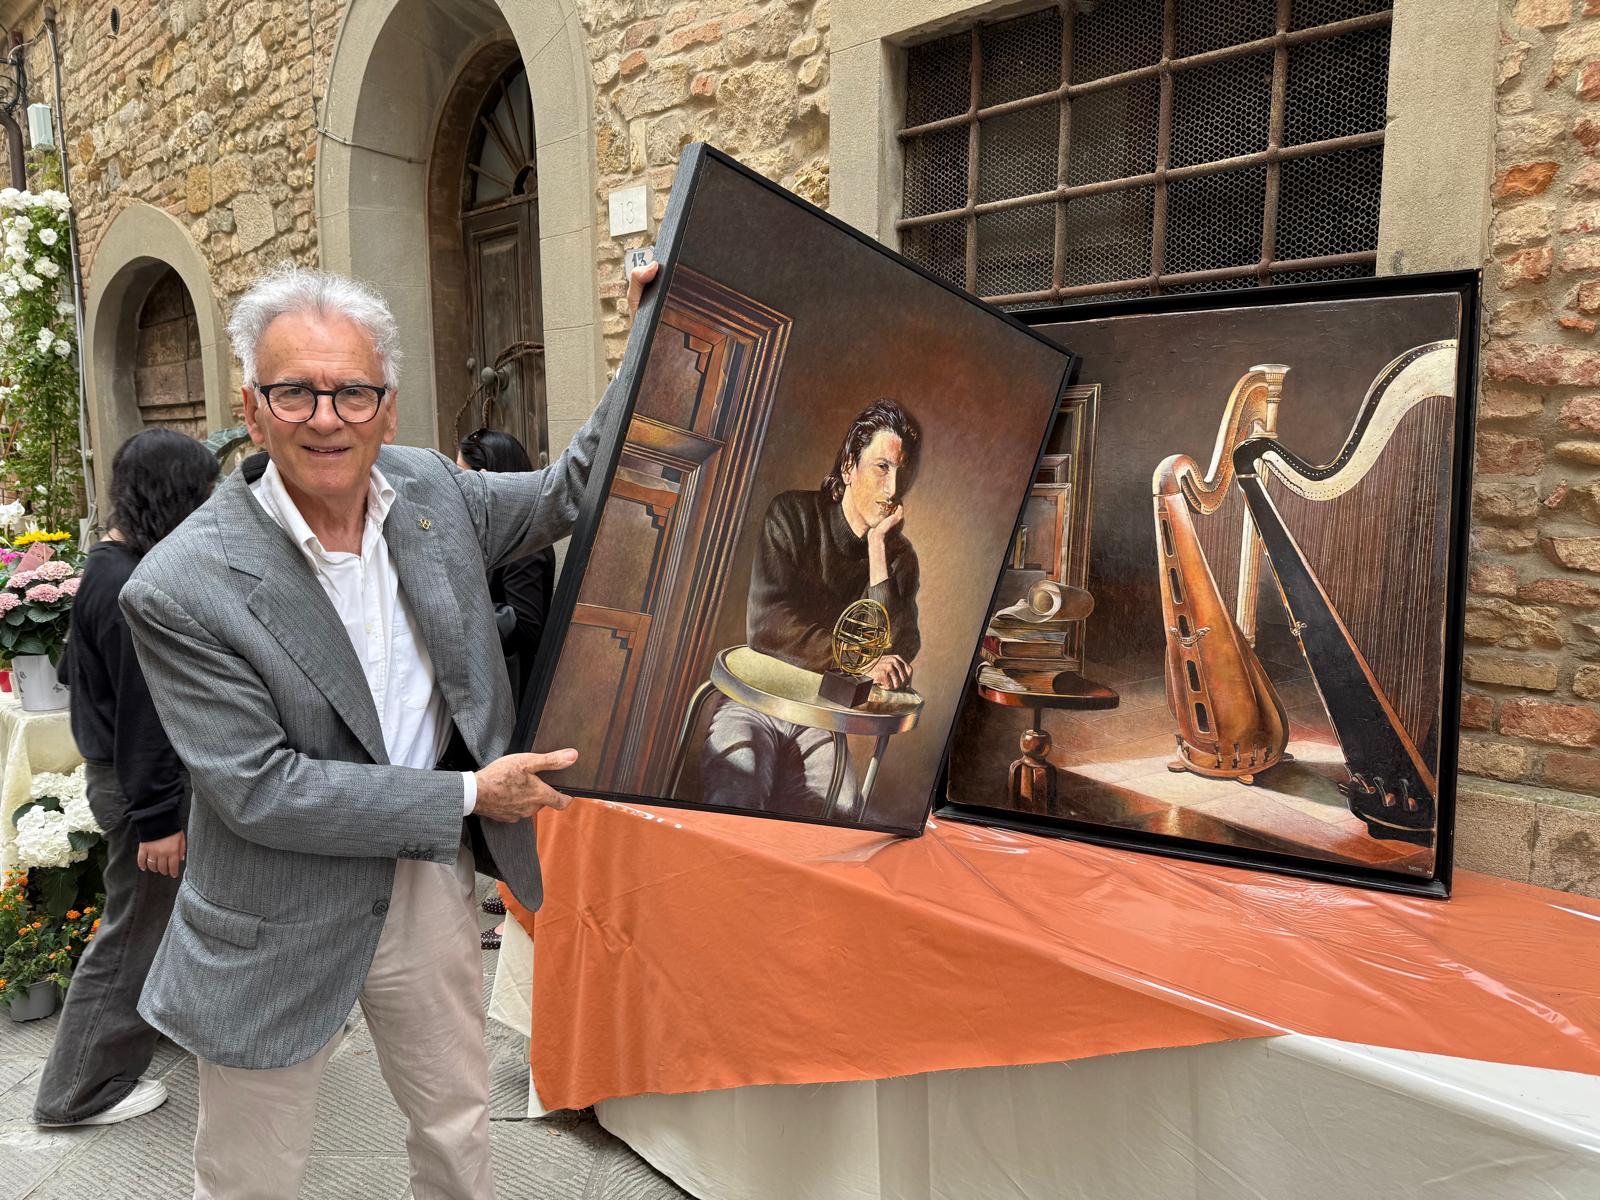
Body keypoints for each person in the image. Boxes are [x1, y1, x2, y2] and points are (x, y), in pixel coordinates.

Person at [119, 260, 656, 1200]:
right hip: (270, 908)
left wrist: (654, 330)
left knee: (455, 1126)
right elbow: (260, 789)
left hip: (421, 887)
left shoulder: (431, 495)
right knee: (250, 1173)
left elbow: (575, 488)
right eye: (296, 391)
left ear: (389, 408)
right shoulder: (180, 585)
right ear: (253, 407)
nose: (327, 417)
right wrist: (468, 796)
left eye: (352, 392)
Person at [31, 428, 219, 1128]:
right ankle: (77, 1092)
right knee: (130, 937)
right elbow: (146, 717)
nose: (208, 506)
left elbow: (73, 673)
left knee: (153, 925)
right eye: (198, 493)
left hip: (125, 779)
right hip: (138, 788)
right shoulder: (129, 583)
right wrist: (160, 820)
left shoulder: (106, 566)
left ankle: (162, 1032)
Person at [700, 399, 922, 817]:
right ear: (848, 467)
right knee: (736, 796)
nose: (894, 490)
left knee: (837, 813)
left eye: (902, 472)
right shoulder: (792, 515)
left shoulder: (897, 557)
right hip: (757, 699)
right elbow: (768, 624)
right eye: (882, 467)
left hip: (823, 714)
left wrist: (878, 551)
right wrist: (861, 661)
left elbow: (903, 644)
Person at [456, 427, 556, 950]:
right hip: (502, 688)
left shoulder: (524, 543)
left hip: (521, 694)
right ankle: (510, 894)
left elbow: (529, 622)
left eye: (467, 477)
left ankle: (517, 919)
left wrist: (459, 617)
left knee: (518, 807)